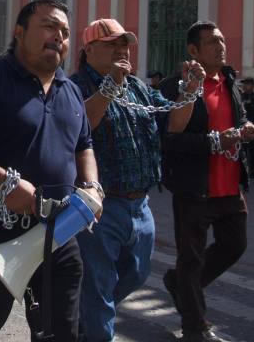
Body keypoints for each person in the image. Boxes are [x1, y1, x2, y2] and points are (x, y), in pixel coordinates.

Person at [0, 0, 104, 342]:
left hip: (58, 235)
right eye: (49, 26)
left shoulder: (70, 91)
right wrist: (5, 183)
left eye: (66, 32)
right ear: (19, 32)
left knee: (61, 333)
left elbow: (84, 143)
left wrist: (92, 184)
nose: (59, 36)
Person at [69, 18, 201, 342]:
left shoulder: (139, 87)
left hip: (140, 205)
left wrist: (191, 92)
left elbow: (175, 123)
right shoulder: (73, 87)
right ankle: (94, 328)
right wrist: (110, 86)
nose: (121, 49)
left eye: (124, 43)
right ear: (89, 50)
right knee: (99, 287)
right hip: (100, 207)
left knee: (137, 273)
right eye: (112, 43)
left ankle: (83, 320)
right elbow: (81, 124)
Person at [159, 20, 254, 342]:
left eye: (222, 39)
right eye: (213, 41)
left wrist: (244, 130)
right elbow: (170, 140)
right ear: (193, 50)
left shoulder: (230, 82)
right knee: (192, 258)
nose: (221, 46)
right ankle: (194, 327)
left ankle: (180, 284)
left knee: (235, 244)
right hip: (194, 189)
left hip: (230, 186)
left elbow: (237, 120)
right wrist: (216, 141)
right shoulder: (176, 87)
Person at [240, 77, 254, 178]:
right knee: (242, 149)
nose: (244, 86)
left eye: (246, 84)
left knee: (252, 149)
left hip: (251, 126)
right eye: (243, 84)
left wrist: (249, 125)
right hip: (240, 126)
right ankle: (242, 171)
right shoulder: (241, 96)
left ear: (252, 86)